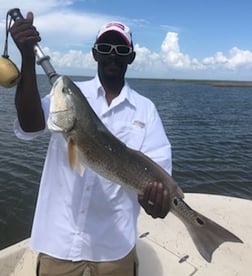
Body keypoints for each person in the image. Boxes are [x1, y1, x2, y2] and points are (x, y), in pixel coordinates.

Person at [10, 12, 172, 276]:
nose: (112, 54)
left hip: (115, 247)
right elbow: (30, 126)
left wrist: (156, 200)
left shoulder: (146, 110)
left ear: (131, 57)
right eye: (105, 47)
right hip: (58, 242)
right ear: (95, 53)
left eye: (120, 49)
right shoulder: (69, 95)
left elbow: (159, 175)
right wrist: (27, 59)